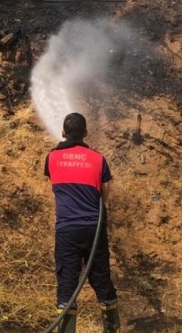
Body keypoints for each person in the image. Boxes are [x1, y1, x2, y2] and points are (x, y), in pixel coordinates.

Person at [44, 113, 120, 333]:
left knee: (67, 285)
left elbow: (54, 182)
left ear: (63, 133)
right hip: (94, 228)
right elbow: (106, 191)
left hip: (67, 229)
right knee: (102, 279)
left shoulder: (52, 157)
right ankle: (112, 328)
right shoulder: (98, 158)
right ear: (86, 134)